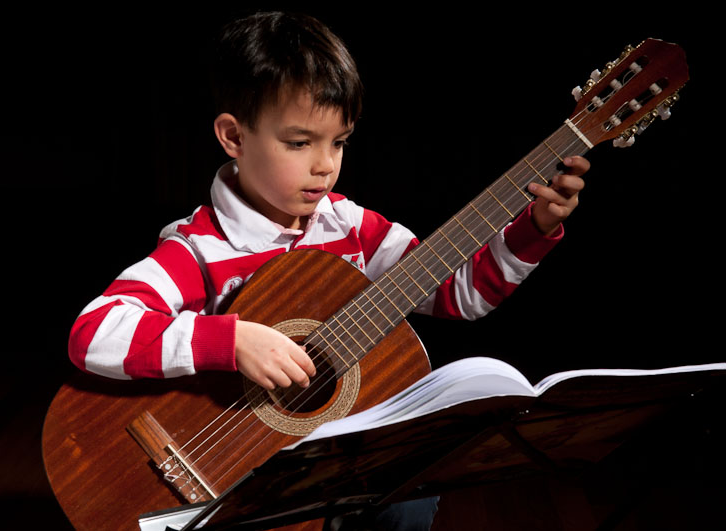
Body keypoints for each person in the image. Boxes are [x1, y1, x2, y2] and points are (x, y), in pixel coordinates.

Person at [68, 11, 587, 530]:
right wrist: (233, 341)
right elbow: (92, 333)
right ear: (234, 137)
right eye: (299, 143)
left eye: (338, 142)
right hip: (235, 472)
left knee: (409, 500)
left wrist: (534, 227)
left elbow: (459, 293)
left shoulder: (352, 227)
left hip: (332, 470)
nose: (325, 165)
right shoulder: (200, 248)